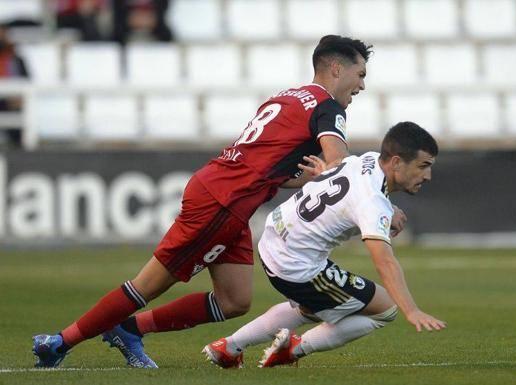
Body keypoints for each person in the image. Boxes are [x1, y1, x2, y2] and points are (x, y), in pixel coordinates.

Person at [32, 35, 388, 368]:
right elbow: (341, 164)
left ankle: (129, 330)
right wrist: (368, 194)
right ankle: (58, 344)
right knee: (148, 285)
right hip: (222, 202)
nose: (362, 85)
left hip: (227, 196)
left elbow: (266, 167)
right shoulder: (328, 108)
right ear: (337, 69)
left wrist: (307, 177)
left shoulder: (288, 96)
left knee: (234, 301)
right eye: (360, 74)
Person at [204, 122, 446, 369]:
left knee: (310, 307)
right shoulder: (372, 203)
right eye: (423, 166)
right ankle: (294, 348)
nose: (427, 176)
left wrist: (388, 209)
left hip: (274, 238)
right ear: (395, 162)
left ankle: (228, 347)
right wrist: (412, 310)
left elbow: (342, 176)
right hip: (295, 264)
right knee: (385, 309)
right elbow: (384, 261)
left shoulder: (368, 160)